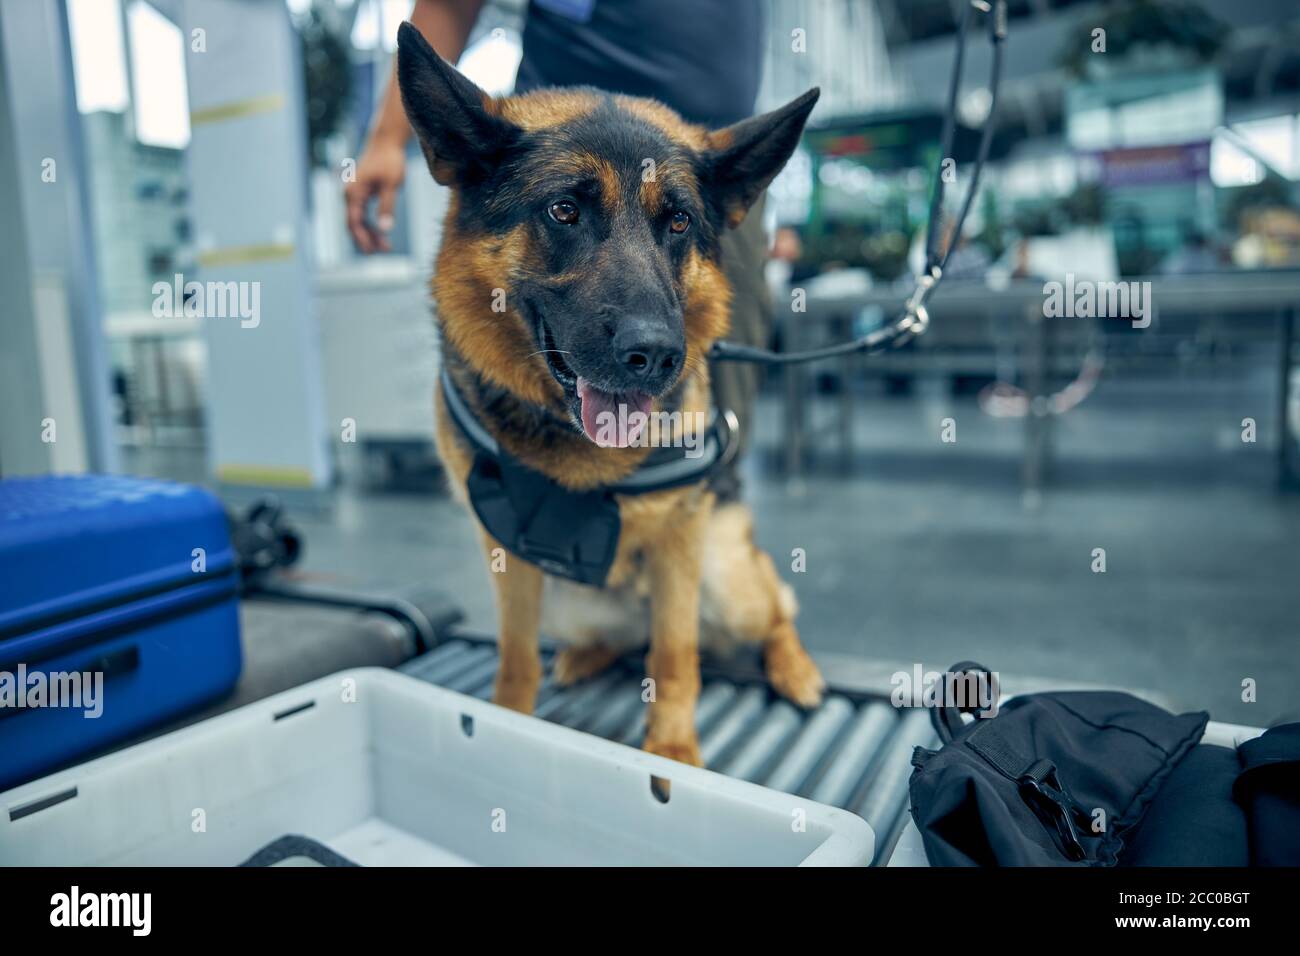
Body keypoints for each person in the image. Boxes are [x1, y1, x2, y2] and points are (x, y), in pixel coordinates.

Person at [345, 0, 777, 498]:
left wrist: (690, 203)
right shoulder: (511, 158)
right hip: (554, 141)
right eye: (567, 214)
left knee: (718, 435)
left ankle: (713, 503)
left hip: (704, 167)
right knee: (509, 424)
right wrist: (387, 137)